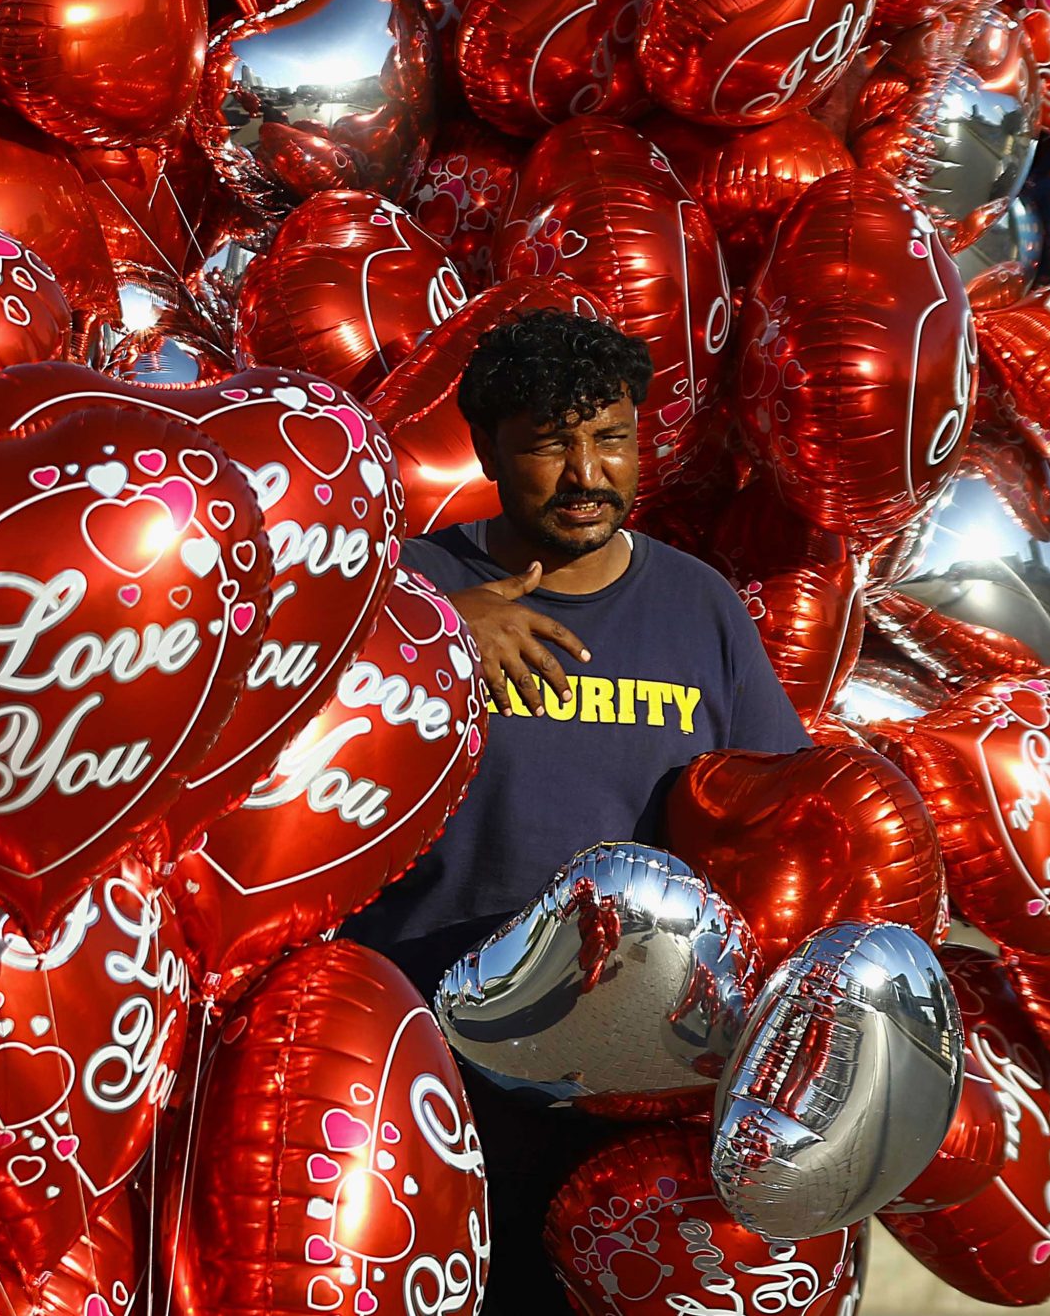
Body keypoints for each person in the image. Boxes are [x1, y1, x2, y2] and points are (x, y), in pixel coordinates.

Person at [344, 309, 811, 1316]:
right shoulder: (405, 587)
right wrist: (428, 632)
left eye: (609, 439)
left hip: (631, 1096)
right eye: (551, 444)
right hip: (425, 1067)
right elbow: (276, 714)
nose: (586, 473)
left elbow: (785, 817)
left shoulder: (700, 608)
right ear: (484, 448)